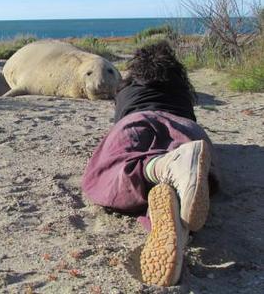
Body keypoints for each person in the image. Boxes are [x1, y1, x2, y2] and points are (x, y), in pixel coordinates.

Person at [81, 41, 219, 286]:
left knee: (111, 172)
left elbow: (120, 117)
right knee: (197, 178)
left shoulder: (125, 88)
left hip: (137, 121)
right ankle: (177, 220)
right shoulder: (182, 91)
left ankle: (160, 167)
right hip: (187, 129)